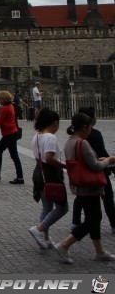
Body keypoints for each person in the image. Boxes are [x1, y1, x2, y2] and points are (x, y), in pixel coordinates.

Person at [53, 113, 115, 263]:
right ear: (85, 127)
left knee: (93, 217)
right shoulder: (83, 143)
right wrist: (108, 160)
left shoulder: (69, 142)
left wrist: (98, 160)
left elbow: (84, 161)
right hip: (90, 186)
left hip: (80, 184)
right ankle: (65, 244)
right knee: (93, 219)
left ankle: (99, 251)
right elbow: (95, 166)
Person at [71, 107, 115, 235]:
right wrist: (110, 162)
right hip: (98, 171)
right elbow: (102, 153)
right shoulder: (94, 134)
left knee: (80, 197)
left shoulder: (74, 138)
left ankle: (75, 221)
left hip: (82, 173)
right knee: (107, 198)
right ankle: (113, 223)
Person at [29, 108, 67, 250]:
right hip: (50, 174)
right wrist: (64, 166)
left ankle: (44, 237)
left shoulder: (37, 136)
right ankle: (39, 229)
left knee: (47, 206)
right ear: (55, 123)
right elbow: (49, 158)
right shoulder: (50, 137)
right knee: (62, 208)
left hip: (38, 172)